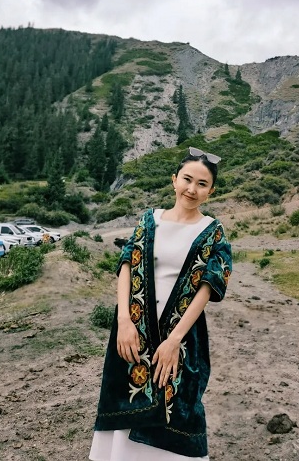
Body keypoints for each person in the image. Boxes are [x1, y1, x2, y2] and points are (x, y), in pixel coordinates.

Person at [89, 147, 233, 460]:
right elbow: (127, 265)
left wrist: (174, 340)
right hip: (134, 330)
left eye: (202, 184)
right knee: (126, 403)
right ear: (174, 180)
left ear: (211, 191)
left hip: (179, 336)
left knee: (178, 407)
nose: (192, 189)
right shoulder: (149, 220)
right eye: (187, 179)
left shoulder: (212, 231)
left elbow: (207, 287)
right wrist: (124, 321)